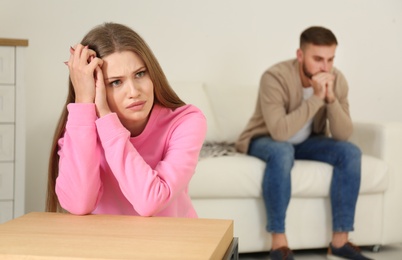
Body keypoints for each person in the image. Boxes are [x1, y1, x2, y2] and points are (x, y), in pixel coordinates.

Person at [236, 26, 372, 260]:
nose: (325, 67)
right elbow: (279, 132)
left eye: (330, 60)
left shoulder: (337, 80)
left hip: (307, 142)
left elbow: (343, 134)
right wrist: (317, 98)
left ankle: (339, 243)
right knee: (282, 150)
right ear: (300, 55)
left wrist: (330, 99)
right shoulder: (274, 77)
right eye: (318, 59)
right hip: (265, 139)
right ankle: (279, 244)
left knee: (350, 152)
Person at [46, 22, 207, 218]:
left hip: (172, 243)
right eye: (115, 82)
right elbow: (79, 205)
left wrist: (106, 118)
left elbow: (150, 201)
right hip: (108, 244)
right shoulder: (81, 126)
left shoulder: (186, 121)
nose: (134, 92)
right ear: (94, 87)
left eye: (140, 74)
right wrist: (83, 103)